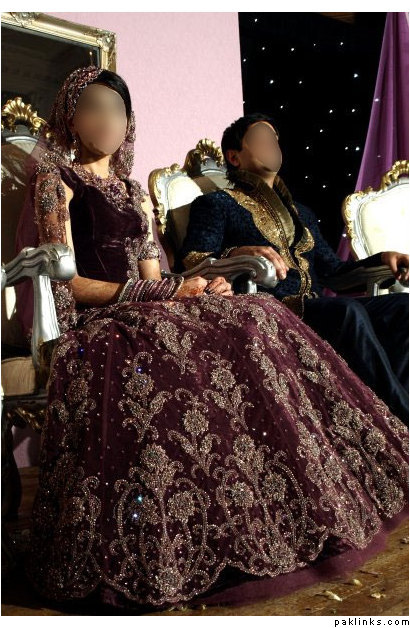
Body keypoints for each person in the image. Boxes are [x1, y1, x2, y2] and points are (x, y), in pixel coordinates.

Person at [16, 68, 408, 611]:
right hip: (102, 317)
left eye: (117, 110)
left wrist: (197, 285)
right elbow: (69, 283)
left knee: (253, 312)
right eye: (93, 108)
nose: (106, 120)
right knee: (180, 336)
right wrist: (165, 292)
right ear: (70, 118)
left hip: (148, 305)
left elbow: (157, 274)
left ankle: (272, 504)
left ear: (129, 122)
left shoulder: (132, 191)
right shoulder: (58, 182)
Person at [180, 113, 409, 425]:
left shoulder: (302, 213)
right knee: (347, 312)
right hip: (273, 309)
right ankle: (401, 417)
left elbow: (335, 272)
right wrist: (239, 251)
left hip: (316, 305)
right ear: (234, 157)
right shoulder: (217, 204)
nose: (271, 145)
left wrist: (383, 259)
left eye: (274, 139)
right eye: (260, 139)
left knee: (403, 307)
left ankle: (392, 409)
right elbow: (194, 259)